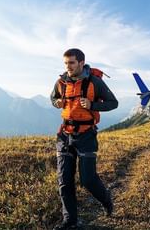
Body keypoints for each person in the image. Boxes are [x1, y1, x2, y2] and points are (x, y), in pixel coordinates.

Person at [51, 48, 118, 230]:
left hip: (86, 135)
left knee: (88, 180)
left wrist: (92, 105)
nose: (68, 67)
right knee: (64, 180)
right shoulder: (61, 82)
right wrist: (56, 102)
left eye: (71, 63)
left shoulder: (95, 82)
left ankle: (106, 200)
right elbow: (53, 97)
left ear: (81, 63)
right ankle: (70, 221)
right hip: (64, 134)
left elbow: (113, 103)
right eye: (65, 63)